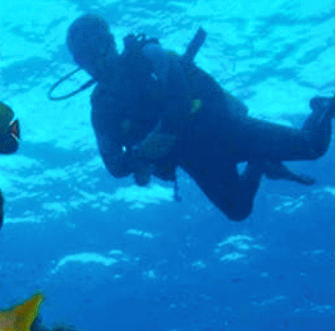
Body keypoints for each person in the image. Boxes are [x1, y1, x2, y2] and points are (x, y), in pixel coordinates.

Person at [61, 14, 335, 221]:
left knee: (312, 146)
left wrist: (154, 143)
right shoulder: (102, 110)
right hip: (197, 158)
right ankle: (259, 163)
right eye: (84, 58)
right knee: (238, 210)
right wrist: (140, 155)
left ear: (111, 42)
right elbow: (114, 166)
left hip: (225, 129)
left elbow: (180, 101)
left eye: (98, 48)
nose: (96, 62)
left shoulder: (149, 57)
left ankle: (324, 106)